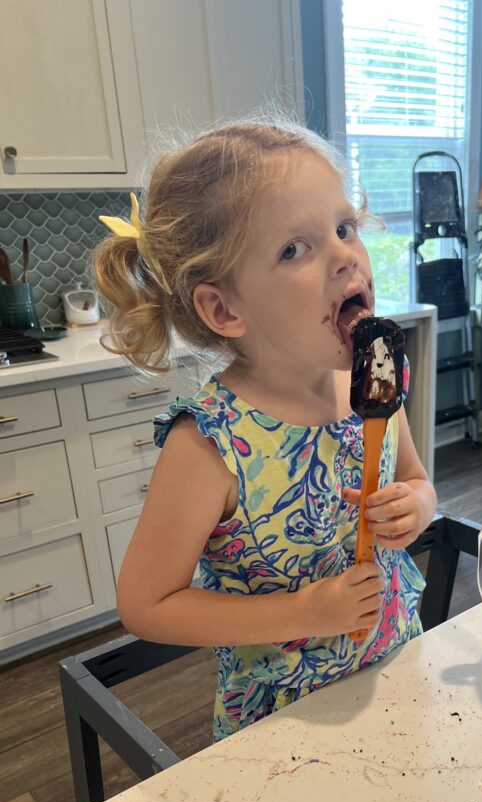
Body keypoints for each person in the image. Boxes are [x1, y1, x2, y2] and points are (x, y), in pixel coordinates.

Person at [92, 119, 436, 742]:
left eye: (342, 227)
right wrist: (304, 612)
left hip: (396, 672)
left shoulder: (372, 380)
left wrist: (415, 507)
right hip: (281, 720)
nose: (344, 257)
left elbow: (415, 478)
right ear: (225, 309)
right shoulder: (209, 444)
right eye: (294, 249)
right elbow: (146, 605)